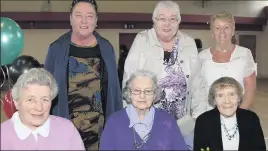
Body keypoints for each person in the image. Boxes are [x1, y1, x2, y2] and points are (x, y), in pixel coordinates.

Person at [122, 0, 207, 148]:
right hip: (149, 126)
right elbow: (128, 84)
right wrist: (133, 122)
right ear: (154, 21)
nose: (167, 24)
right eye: (162, 18)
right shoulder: (142, 41)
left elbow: (197, 86)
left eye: (172, 19)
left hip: (184, 126)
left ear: (179, 22)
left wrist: (198, 119)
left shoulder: (189, 43)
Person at [44, 0, 122, 150]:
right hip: (66, 124)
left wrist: (117, 123)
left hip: (99, 128)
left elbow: (115, 91)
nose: (84, 21)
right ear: (71, 19)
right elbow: (46, 91)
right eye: (79, 15)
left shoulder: (106, 48)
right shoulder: (56, 48)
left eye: (90, 16)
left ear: (96, 21)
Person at [100, 70, 189, 150]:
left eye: (148, 91)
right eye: (137, 90)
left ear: (154, 94)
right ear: (129, 93)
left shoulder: (168, 121)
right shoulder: (114, 122)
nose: (142, 96)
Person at [0, 68, 85, 150]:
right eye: (31, 100)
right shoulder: (2, 135)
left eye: (45, 100)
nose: (39, 108)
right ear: (16, 102)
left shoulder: (67, 129)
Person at [198, 11, 257, 111]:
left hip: (238, 113)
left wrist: (239, 115)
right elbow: (198, 90)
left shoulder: (245, 54)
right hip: (209, 114)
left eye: (226, 27)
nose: (222, 32)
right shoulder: (202, 57)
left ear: (233, 31)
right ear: (212, 33)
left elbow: (250, 89)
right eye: (217, 28)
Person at [194, 77, 266, 151]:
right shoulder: (203, 121)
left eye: (231, 94)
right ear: (214, 100)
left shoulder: (251, 119)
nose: (227, 101)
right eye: (220, 96)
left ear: (238, 98)